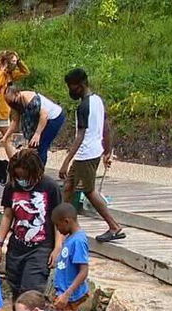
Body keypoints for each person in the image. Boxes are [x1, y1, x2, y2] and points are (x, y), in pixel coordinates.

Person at [59, 68, 125, 243]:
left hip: (86, 154)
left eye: (71, 86)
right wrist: (107, 150)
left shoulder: (84, 106)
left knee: (88, 191)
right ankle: (63, 226)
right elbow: (106, 126)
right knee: (68, 187)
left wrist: (65, 162)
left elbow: (80, 136)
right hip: (91, 152)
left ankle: (114, 227)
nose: (69, 90)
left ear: (80, 85)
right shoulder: (97, 100)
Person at [0, 148, 64, 301]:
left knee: (31, 291)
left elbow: (59, 220)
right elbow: (7, 215)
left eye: (24, 177)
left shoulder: (50, 187)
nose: (21, 180)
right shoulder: (12, 186)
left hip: (40, 248)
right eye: (18, 176)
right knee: (16, 290)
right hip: (17, 247)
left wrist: (57, 247)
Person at [4, 85, 67, 167]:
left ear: (17, 94)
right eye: (9, 103)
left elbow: (44, 116)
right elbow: (15, 121)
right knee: (32, 147)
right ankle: (32, 171)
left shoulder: (32, 101)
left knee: (41, 145)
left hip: (53, 118)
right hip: (41, 120)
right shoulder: (16, 104)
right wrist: (6, 136)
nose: (12, 104)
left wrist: (37, 134)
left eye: (13, 101)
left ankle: (39, 173)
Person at [51, 203, 90, 311]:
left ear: (66, 221)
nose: (58, 229)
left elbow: (84, 271)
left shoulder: (78, 241)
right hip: (63, 291)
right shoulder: (70, 238)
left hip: (69, 295)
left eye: (58, 226)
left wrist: (67, 294)